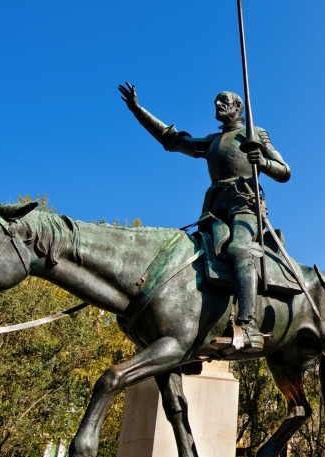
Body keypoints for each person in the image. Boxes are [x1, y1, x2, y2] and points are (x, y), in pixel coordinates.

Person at [118, 83, 290, 351]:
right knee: (190, 257)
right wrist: (138, 111)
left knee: (240, 249)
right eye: (215, 103)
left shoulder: (254, 133)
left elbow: (284, 170)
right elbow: (172, 140)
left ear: (237, 107)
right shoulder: (212, 141)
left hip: (245, 204)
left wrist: (262, 162)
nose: (217, 106)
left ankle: (248, 325)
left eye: (223, 102)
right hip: (214, 207)